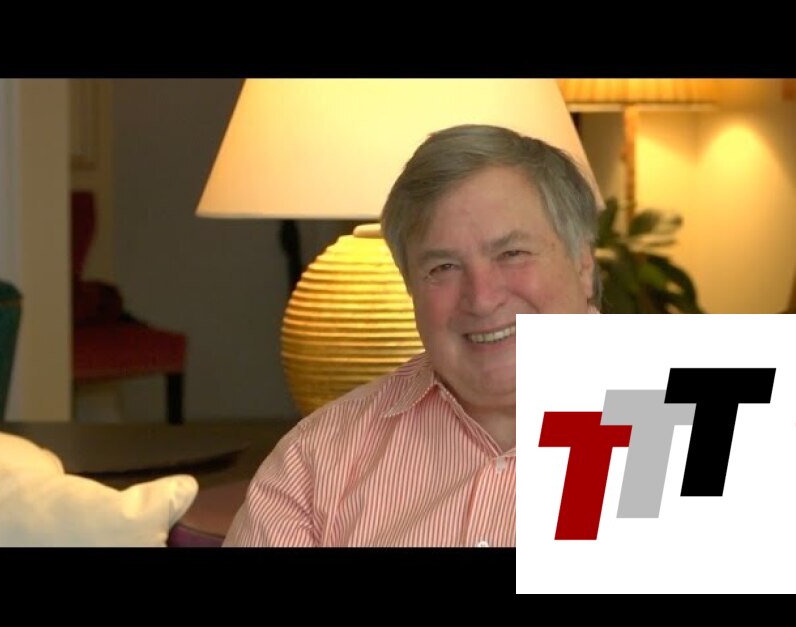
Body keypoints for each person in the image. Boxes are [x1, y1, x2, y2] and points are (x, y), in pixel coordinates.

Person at [223, 123, 601, 547]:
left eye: (512, 253)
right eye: (443, 267)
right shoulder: (314, 462)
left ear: (583, 263)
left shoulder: (659, 415)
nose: (481, 298)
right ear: (410, 289)